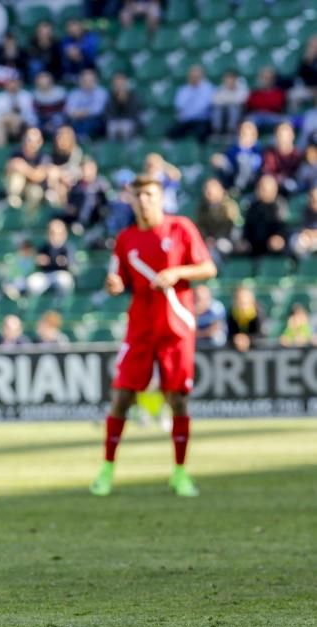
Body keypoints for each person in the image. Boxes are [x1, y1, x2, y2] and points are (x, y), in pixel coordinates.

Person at [90, 174, 217, 498]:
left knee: (178, 399)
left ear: (160, 197)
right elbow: (116, 278)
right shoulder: (126, 238)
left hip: (176, 326)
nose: (143, 200)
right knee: (121, 396)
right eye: (137, 195)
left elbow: (208, 268)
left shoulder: (181, 228)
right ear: (130, 200)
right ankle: (106, 470)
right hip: (141, 326)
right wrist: (114, 285)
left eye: (149, 194)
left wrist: (177, 272)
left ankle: (180, 472)